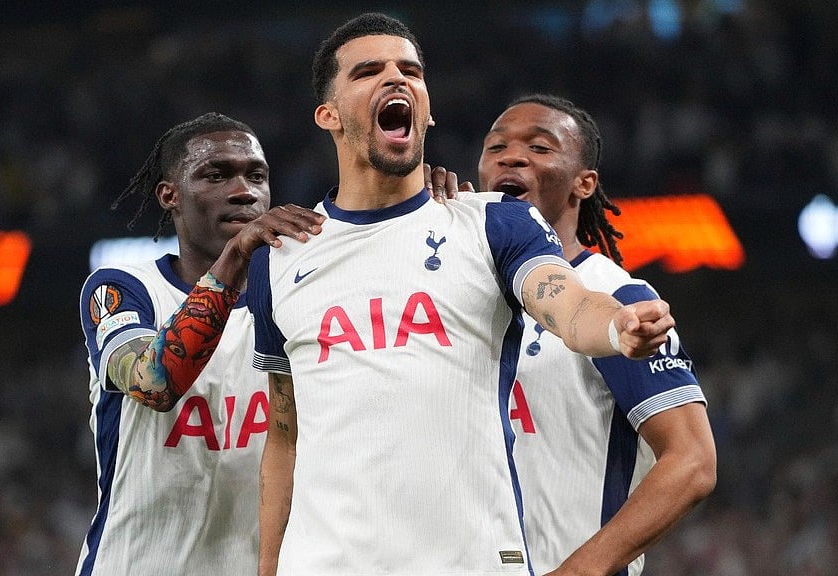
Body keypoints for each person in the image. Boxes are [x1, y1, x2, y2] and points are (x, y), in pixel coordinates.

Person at [249, 13, 676, 576]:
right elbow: (285, 435)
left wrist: (617, 327)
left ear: (427, 108)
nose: (396, 79)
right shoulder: (279, 258)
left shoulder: (493, 224)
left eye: (410, 71)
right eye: (368, 72)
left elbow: (568, 303)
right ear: (329, 115)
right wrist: (269, 567)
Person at [477, 94, 717, 575]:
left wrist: (579, 570)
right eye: (496, 147)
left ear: (584, 183)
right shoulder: (457, 295)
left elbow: (692, 461)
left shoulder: (617, 297)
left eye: (540, 148)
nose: (512, 156)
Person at [75, 112, 324, 575]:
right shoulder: (124, 288)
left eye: (257, 176)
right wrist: (236, 256)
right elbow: (153, 383)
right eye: (216, 175)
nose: (244, 191)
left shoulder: (296, 301)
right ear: (169, 195)